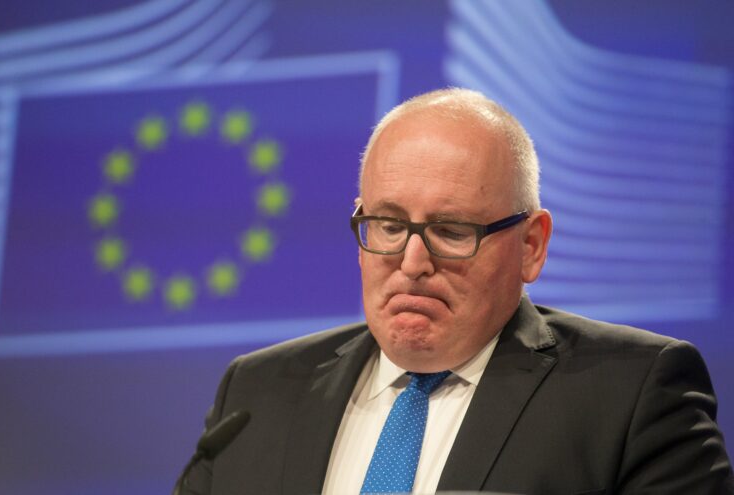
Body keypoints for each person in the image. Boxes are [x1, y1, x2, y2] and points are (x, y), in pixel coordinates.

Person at [179, 88, 734, 494]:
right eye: (389, 226)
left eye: (451, 231)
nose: (412, 263)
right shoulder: (255, 395)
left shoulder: (632, 396)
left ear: (531, 245)